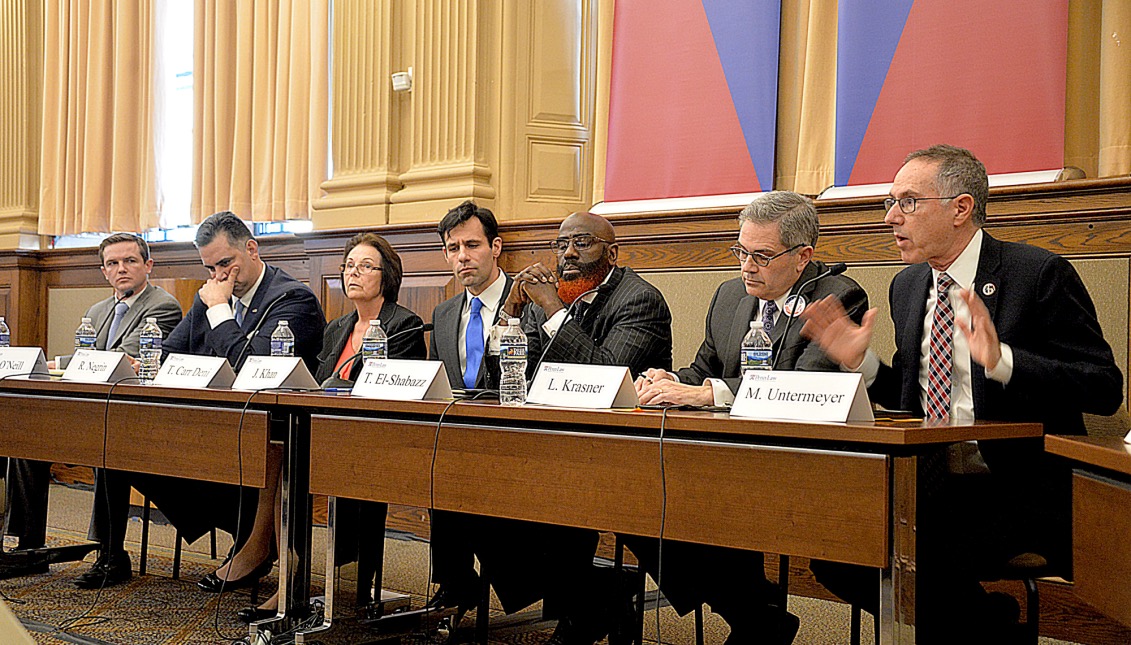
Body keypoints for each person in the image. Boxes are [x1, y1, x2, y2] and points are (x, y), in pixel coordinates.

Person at [799, 144, 1123, 642]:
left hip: (1019, 485)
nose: (890, 217)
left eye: (908, 201)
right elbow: (911, 403)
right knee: (835, 544)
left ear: (960, 208)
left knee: (920, 547)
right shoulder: (908, 286)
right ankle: (986, 625)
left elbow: (1104, 388)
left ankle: (978, 627)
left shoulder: (1037, 274)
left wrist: (1004, 362)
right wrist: (860, 364)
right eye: (890, 202)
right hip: (930, 480)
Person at [630, 191, 869, 644]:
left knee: (715, 502)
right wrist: (666, 381)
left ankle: (755, 616)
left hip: (799, 463)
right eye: (741, 252)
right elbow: (703, 372)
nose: (746, 267)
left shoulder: (837, 296)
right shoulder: (728, 297)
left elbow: (804, 385)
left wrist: (703, 393)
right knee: (642, 498)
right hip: (725, 455)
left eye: (761, 256)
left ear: (803, 257)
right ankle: (754, 612)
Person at [73, 212, 325, 590]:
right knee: (118, 439)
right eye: (211, 267)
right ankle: (111, 554)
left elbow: (251, 369)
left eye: (226, 263)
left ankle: (252, 534)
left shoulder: (292, 299)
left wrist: (220, 310)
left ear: (252, 249)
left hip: (262, 437)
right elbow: (170, 353)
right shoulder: (208, 295)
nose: (220, 275)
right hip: (207, 425)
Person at [496, 211, 673, 645]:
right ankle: (593, 598)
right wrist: (513, 314)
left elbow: (607, 379)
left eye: (582, 243)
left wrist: (554, 310)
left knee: (551, 495)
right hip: (558, 443)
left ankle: (585, 607)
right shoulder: (544, 302)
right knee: (480, 492)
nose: (568, 254)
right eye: (561, 245)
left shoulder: (639, 300)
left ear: (611, 253)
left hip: (625, 451)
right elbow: (512, 377)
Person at [236, 232, 426, 622]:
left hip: (372, 440)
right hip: (323, 434)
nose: (353, 273)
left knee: (296, 459)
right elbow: (319, 386)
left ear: (386, 276)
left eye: (365, 266)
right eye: (349, 266)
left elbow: (392, 392)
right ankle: (293, 576)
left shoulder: (404, 324)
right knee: (279, 450)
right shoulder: (338, 327)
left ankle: (330, 582)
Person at [0, 233, 182, 580]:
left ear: (148, 265)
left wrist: (65, 362)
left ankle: (110, 553)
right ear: (103, 271)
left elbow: (126, 361)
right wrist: (58, 364)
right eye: (112, 263)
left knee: (106, 449)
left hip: (134, 415)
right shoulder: (97, 311)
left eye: (130, 261)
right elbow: (85, 362)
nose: (121, 269)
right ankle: (28, 548)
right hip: (88, 409)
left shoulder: (162, 306)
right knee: (25, 444)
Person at [424, 201, 515, 620]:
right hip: (458, 439)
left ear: (495, 247)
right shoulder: (444, 314)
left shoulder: (526, 301)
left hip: (514, 437)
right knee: (433, 468)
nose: (462, 256)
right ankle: (456, 582)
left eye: (472, 245)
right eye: (453, 247)